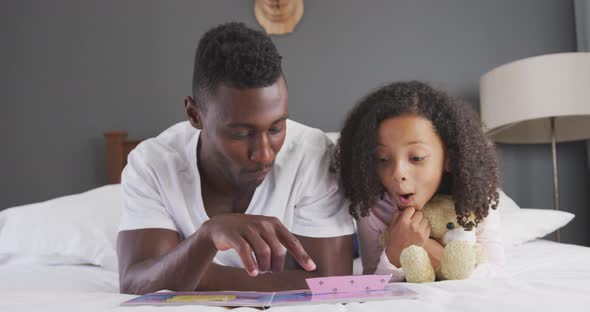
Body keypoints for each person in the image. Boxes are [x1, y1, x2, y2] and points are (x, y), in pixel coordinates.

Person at [117, 22, 354, 295]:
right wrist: (206, 237)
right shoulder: (153, 163)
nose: (264, 154)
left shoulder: (312, 153)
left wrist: (192, 274)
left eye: (276, 128)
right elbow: (135, 281)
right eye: (241, 134)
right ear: (195, 115)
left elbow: (334, 283)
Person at [335, 81, 505, 281]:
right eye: (382, 159)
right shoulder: (372, 208)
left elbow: (495, 273)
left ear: (449, 158)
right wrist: (394, 250)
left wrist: (425, 246)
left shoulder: (476, 197)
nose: (397, 173)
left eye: (416, 157)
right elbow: (373, 281)